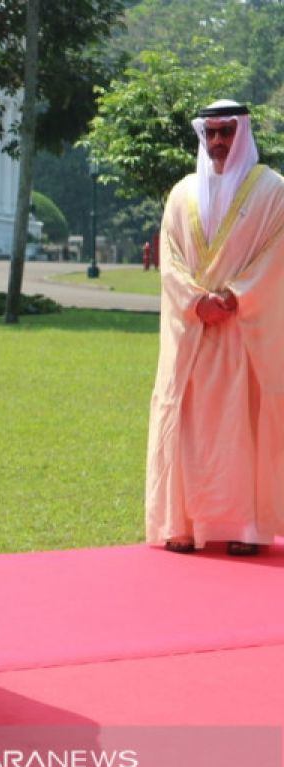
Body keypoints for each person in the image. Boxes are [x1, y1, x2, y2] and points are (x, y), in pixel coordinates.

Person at [147, 99, 284, 557]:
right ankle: (183, 524)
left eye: (227, 131)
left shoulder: (272, 192)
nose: (219, 141)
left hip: (244, 334)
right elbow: (170, 257)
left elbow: (277, 255)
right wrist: (194, 301)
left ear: (242, 132)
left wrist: (235, 296)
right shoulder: (181, 193)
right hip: (194, 335)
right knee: (187, 428)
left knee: (241, 429)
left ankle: (246, 527)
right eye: (212, 133)